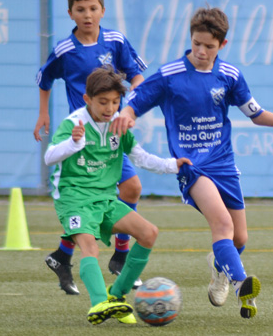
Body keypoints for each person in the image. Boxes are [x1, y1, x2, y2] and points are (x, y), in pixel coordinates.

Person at [111, 6, 273, 319]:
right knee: (222, 225)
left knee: (239, 238)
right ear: (190, 39)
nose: (201, 51)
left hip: (224, 164)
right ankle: (240, 282)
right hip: (191, 165)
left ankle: (220, 270)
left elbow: (255, 113)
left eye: (209, 46)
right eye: (197, 44)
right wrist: (126, 114)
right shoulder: (170, 75)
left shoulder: (229, 75)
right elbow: (136, 102)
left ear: (222, 45)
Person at [44, 67, 191, 324]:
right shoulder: (73, 124)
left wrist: (171, 165)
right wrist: (72, 144)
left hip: (106, 198)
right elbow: (49, 157)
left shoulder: (117, 126)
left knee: (149, 233)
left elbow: (140, 157)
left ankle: (116, 297)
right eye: (103, 102)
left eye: (115, 102)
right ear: (87, 99)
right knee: (89, 246)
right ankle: (99, 304)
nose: (110, 108)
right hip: (74, 197)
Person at [34, 0, 148, 295]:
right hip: (84, 139)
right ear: (70, 13)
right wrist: (44, 113)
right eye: (80, 10)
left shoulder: (115, 40)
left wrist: (129, 108)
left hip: (109, 131)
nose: (87, 15)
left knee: (131, 188)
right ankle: (117, 259)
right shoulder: (65, 50)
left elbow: (137, 75)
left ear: (103, 11)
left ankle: (66, 255)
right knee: (98, 200)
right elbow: (44, 79)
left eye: (93, 8)